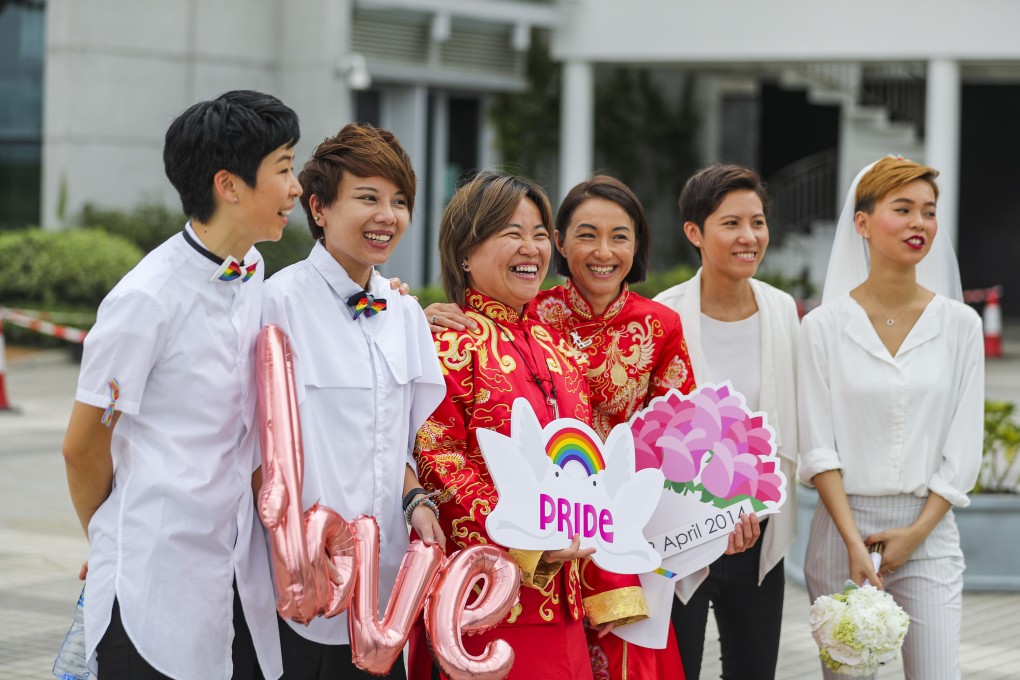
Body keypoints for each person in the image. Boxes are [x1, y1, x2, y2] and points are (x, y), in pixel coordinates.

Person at [61, 90, 302, 679]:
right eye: (285, 168)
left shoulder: (252, 269)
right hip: (152, 577)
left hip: (228, 573)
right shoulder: (146, 299)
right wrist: (109, 537)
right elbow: (81, 445)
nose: (296, 187)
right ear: (230, 185)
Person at [409, 171, 656, 680]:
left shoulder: (560, 349)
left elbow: (589, 473)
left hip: (563, 604)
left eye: (540, 233)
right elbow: (440, 457)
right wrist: (526, 538)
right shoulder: (447, 343)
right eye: (511, 232)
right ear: (464, 251)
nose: (531, 247)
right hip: (484, 602)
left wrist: (606, 580)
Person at [260, 123, 446, 679]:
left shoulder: (405, 313)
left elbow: (403, 443)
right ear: (318, 208)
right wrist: (293, 546)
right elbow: (252, 448)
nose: (387, 216)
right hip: (298, 590)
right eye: (367, 198)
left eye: (399, 202)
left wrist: (417, 502)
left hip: (385, 594)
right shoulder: (277, 302)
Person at [798, 156, 983, 680]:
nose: (918, 223)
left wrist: (918, 532)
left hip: (929, 529)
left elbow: (963, 446)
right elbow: (819, 445)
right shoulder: (822, 328)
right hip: (841, 530)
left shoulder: (960, 326)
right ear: (862, 223)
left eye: (928, 211)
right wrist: (854, 543)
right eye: (902, 209)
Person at [654, 164, 799, 680]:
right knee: (678, 669)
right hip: (682, 538)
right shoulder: (663, 315)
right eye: (731, 223)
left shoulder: (782, 310)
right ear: (694, 232)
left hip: (759, 535)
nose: (749, 237)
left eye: (757, 222)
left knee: (754, 670)